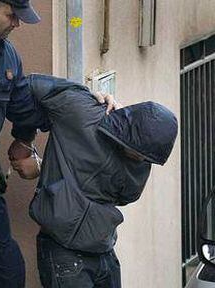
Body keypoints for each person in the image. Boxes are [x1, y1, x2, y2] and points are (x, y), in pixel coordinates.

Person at [0, 0, 118, 287]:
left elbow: (26, 108)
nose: (16, 23)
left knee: (8, 273)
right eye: (11, 15)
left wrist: (90, 102)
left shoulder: (7, 57)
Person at [9, 74, 178, 288]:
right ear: (128, 129)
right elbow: (28, 86)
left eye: (147, 158)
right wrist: (24, 139)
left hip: (104, 251)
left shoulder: (141, 161)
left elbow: (127, 196)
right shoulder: (83, 111)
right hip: (64, 253)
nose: (141, 160)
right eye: (139, 153)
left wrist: (46, 169)